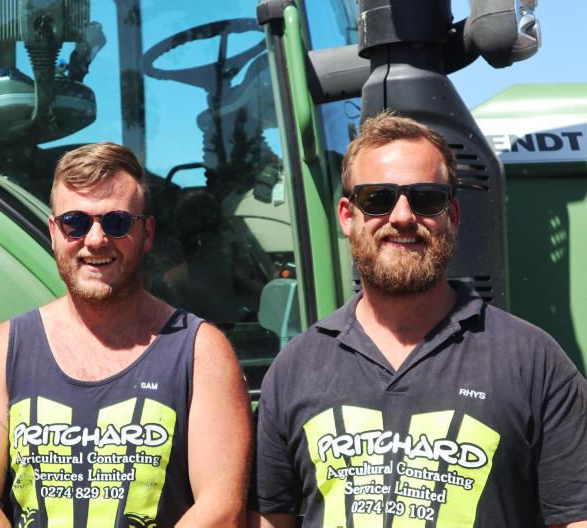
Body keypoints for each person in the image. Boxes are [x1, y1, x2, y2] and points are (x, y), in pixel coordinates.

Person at [248, 112, 587, 528]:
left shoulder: (532, 361)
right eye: (377, 198)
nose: (403, 216)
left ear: (453, 215)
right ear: (347, 216)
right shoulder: (294, 368)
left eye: (426, 198)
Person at [0, 142, 252, 527]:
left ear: (147, 233)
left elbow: (222, 511)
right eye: (75, 222)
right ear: (54, 232)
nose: (95, 240)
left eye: (117, 222)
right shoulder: (2, 350)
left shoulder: (201, 352)